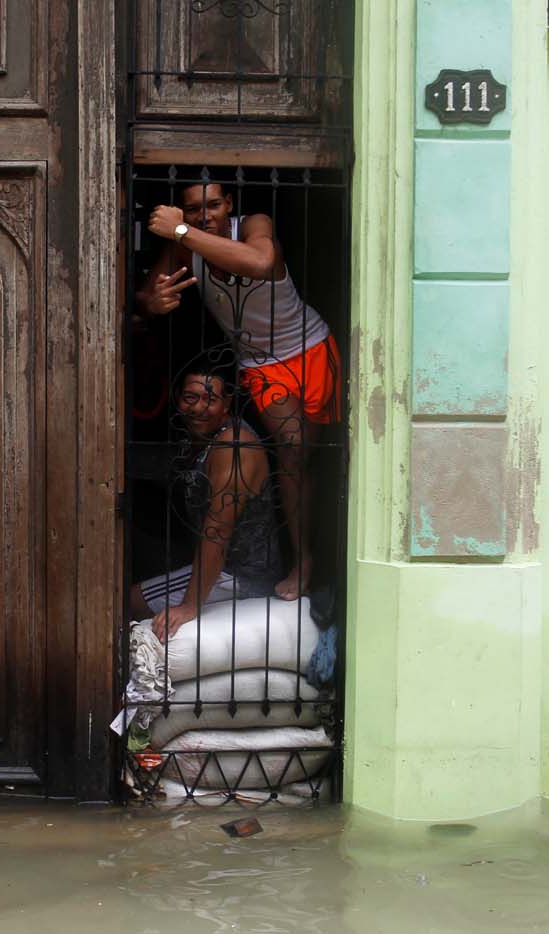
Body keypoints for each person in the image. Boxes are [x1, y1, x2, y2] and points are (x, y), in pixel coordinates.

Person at [136, 176, 340, 600]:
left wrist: (178, 230)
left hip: (313, 347)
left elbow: (261, 262)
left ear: (229, 204)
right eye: (192, 209)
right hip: (261, 364)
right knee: (293, 449)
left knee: (319, 460)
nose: (203, 216)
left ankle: (325, 557)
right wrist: (153, 301)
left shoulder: (253, 225)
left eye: (213, 206)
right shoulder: (185, 246)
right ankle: (302, 561)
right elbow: (148, 296)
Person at [129, 362, 282, 641]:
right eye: (191, 397)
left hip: (242, 575)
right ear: (177, 399)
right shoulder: (199, 438)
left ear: (227, 404)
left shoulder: (234, 446)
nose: (199, 408)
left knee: (131, 601)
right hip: (223, 565)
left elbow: (218, 531)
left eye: (210, 399)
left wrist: (189, 606)